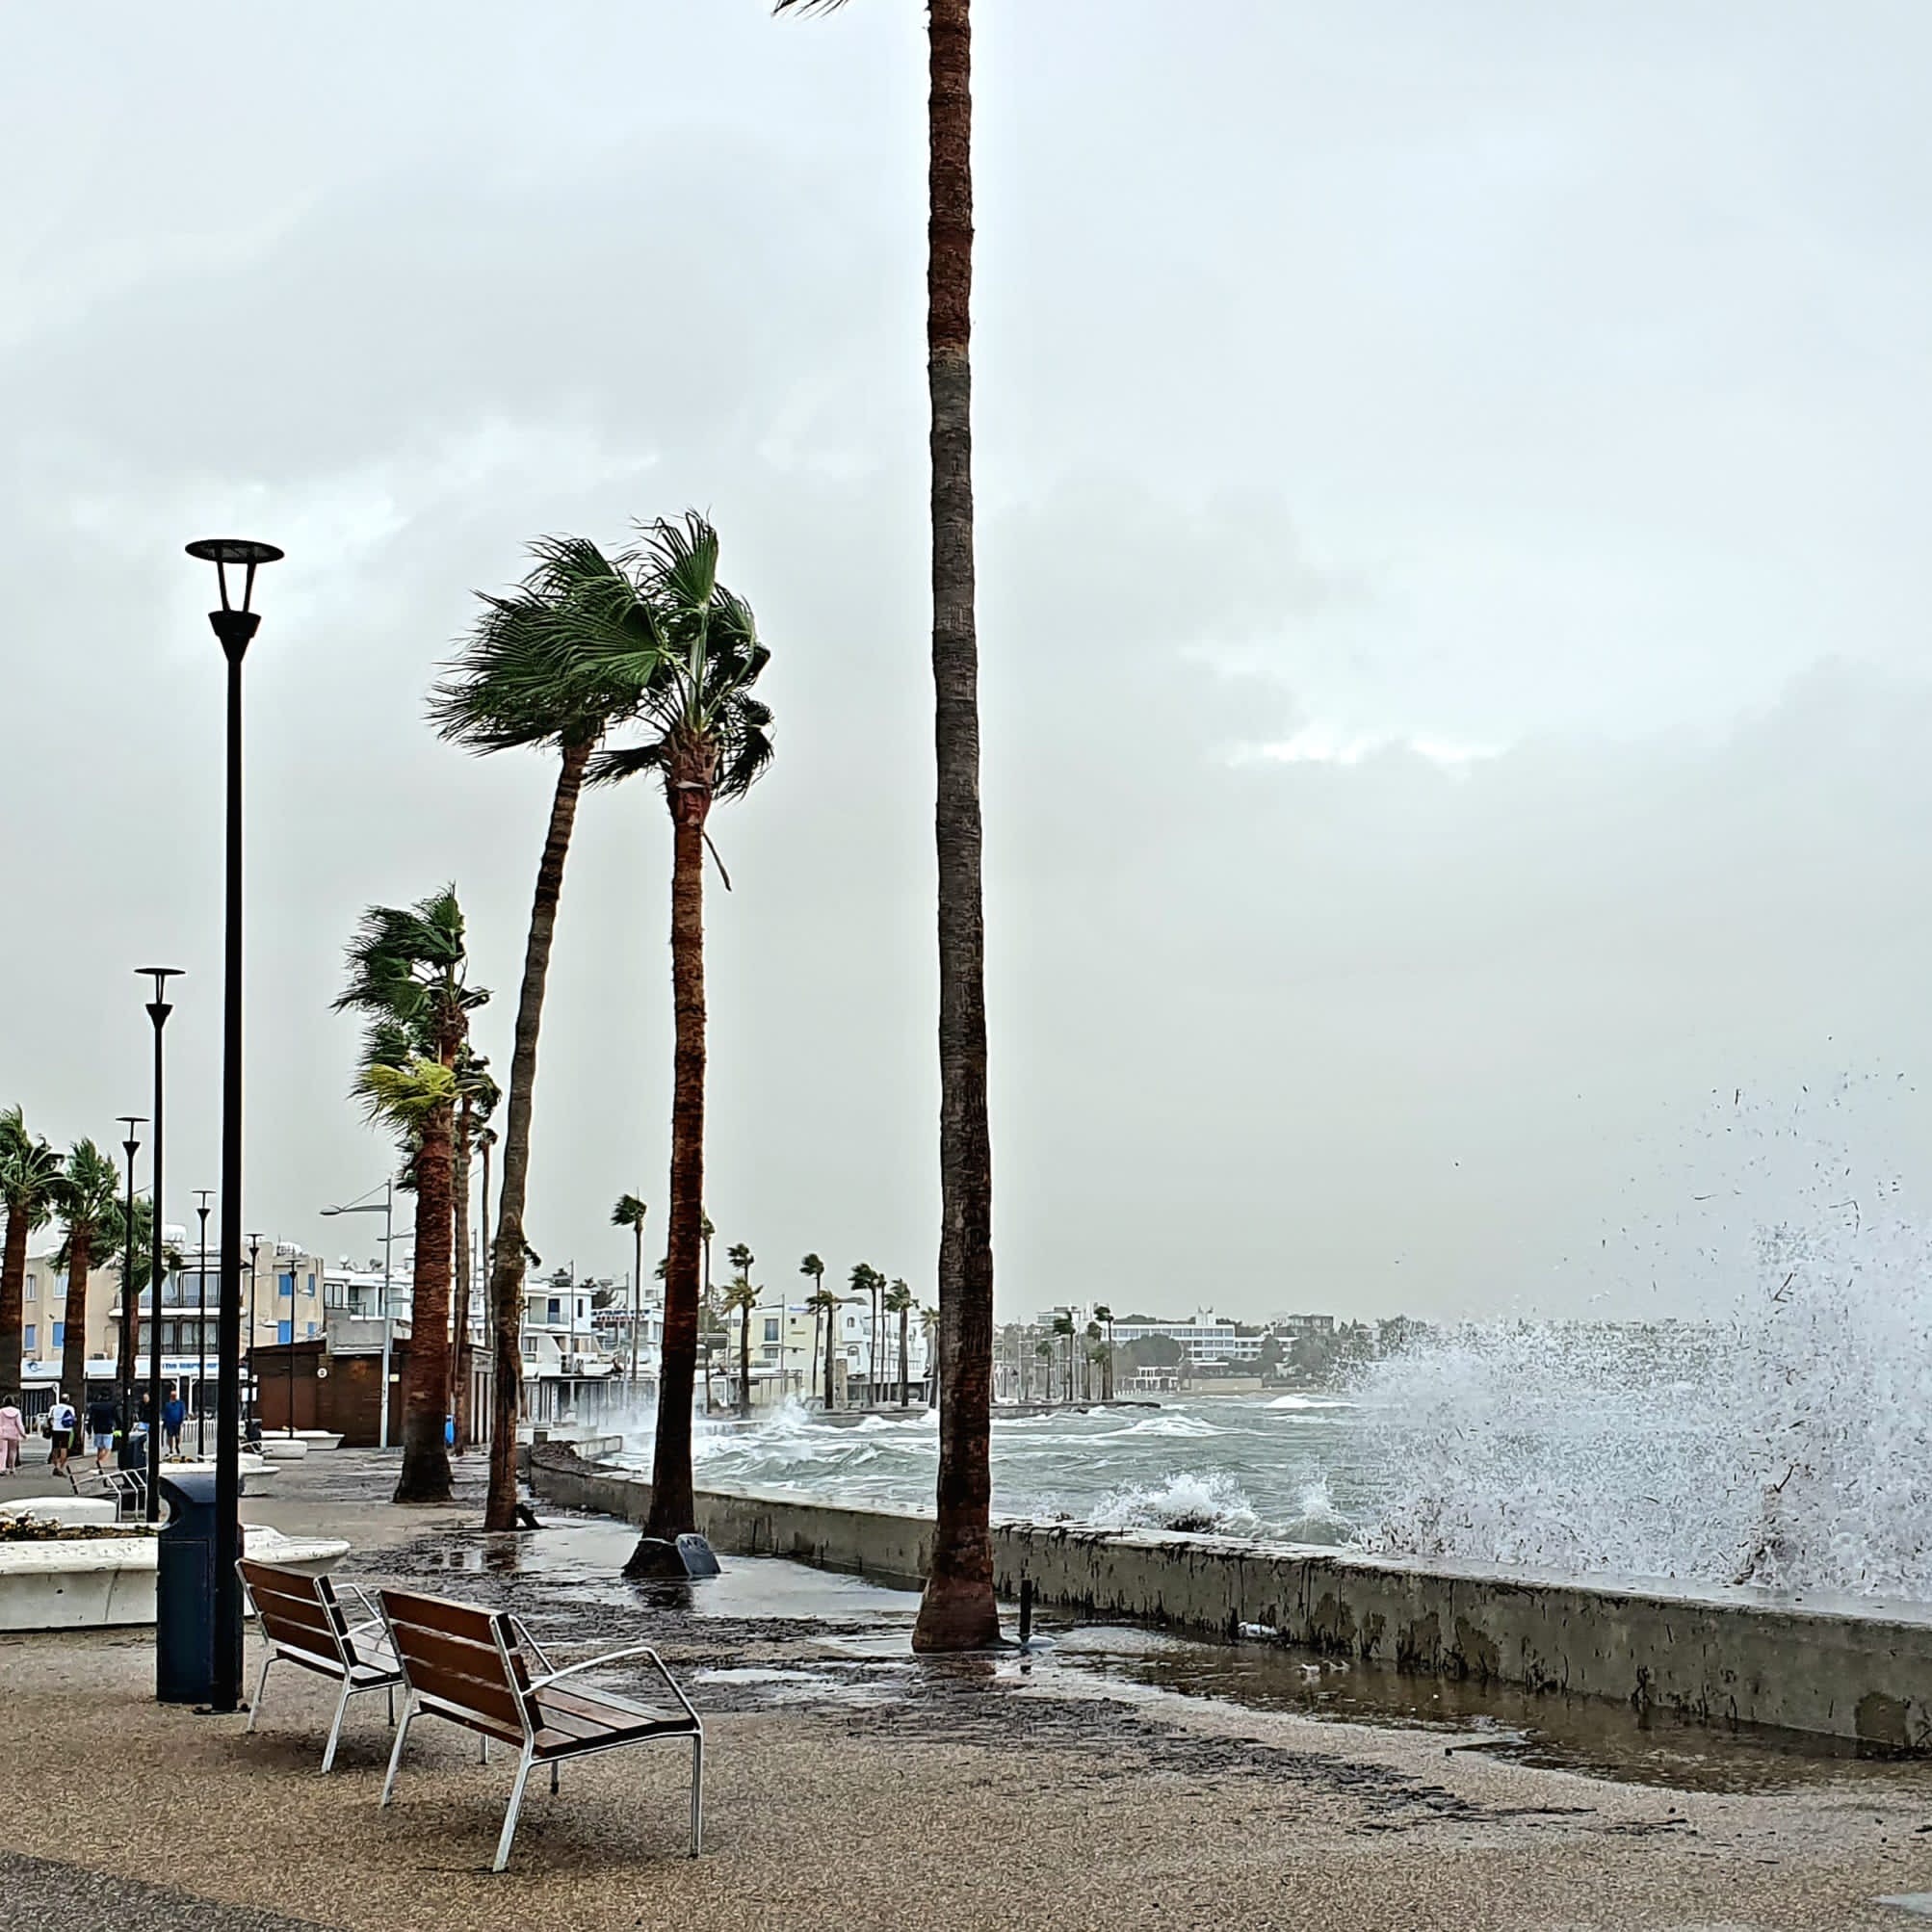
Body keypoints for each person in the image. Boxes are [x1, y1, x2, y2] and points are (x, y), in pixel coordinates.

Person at [86, 1392, 118, 1472]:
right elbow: (116, 1417)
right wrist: (119, 1427)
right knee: (108, 1449)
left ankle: (99, 1464)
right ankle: (101, 1463)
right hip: (108, 1429)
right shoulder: (112, 1406)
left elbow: (91, 1419)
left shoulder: (94, 1406)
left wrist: (89, 1430)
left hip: (97, 1429)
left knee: (100, 1448)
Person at [45, 1390, 76, 1475]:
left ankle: (55, 1466)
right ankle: (61, 1467)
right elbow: (73, 1419)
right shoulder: (70, 1408)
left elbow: (49, 1419)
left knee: (55, 1448)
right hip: (66, 1430)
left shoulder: (53, 1407)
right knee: (64, 1448)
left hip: (56, 1429)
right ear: (68, 1400)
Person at [0, 1394, 24, 1475]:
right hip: (13, 1432)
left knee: (2, 1451)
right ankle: (12, 1467)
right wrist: (23, 1434)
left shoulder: (1, 1411)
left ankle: (2, 1468)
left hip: (2, 1432)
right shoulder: (17, 1411)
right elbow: (19, 1424)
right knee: (13, 1451)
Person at [162, 1385, 186, 1459]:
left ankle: (177, 1446)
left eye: (174, 1395)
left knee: (177, 1436)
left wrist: (182, 1420)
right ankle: (171, 1449)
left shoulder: (180, 1403)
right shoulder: (167, 1404)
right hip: (169, 1423)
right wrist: (164, 1421)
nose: (173, 1396)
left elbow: (183, 1412)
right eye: (172, 1395)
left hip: (177, 1422)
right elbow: (164, 1413)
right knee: (170, 1436)